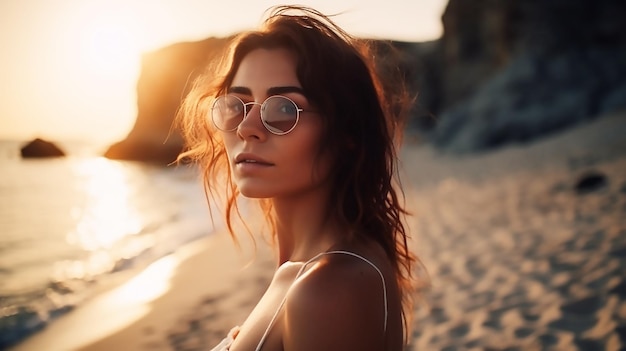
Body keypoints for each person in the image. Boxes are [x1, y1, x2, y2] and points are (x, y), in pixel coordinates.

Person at [177, 5, 418, 351]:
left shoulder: (328, 289)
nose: (247, 128)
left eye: (284, 109)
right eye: (238, 104)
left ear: (346, 133)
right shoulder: (313, 267)